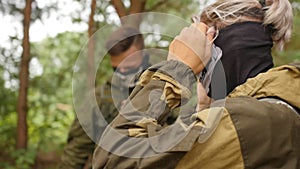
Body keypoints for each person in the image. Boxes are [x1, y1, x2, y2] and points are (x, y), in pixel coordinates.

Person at [92, 0, 300, 168]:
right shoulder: (282, 104)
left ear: (221, 50)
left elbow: (112, 160)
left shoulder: (243, 120)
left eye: (203, 57)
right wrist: (205, 108)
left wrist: (175, 69)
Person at [58, 26, 151, 169]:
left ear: (144, 56)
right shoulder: (98, 99)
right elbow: (77, 149)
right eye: (117, 68)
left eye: (130, 67)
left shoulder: (168, 89)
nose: (123, 72)